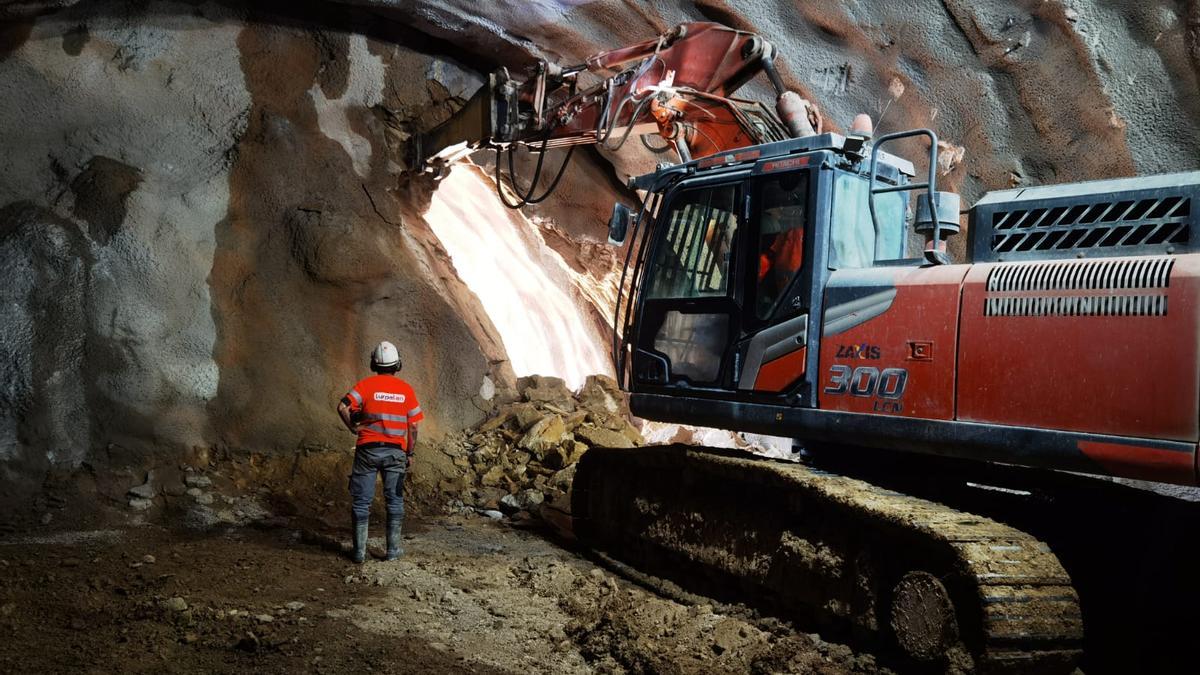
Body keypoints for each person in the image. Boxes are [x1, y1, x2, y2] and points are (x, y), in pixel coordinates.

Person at [336, 341, 423, 563]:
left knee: (361, 502)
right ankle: (393, 551)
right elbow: (413, 425)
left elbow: (343, 406)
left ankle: (359, 553)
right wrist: (410, 453)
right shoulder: (406, 390)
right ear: (398, 365)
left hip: (367, 451)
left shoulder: (365, 386)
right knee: (394, 502)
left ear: (373, 364)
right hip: (395, 453)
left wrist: (353, 428)